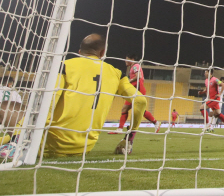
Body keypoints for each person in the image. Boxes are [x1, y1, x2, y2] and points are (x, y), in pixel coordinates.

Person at [2, 34, 147, 157]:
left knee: (10, 107)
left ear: (79, 52)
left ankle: (14, 142)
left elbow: (46, 106)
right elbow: (140, 101)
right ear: (102, 53)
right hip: (83, 148)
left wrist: (17, 137)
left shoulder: (64, 65)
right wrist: (129, 139)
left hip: (46, 146)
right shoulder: (117, 73)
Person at [110, 53, 161, 134]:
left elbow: (139, 76)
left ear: (132, 59)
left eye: (127, 59)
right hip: (134, 90)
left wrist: (128, 82)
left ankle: (155, 123)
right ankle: (120, 129)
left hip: (138, 90)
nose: (125, 61)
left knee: (138, 110)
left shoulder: (135, 66)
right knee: (126, 109)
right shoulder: (133, 67)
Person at [0, 76, 23, 145]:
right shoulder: (16, 93)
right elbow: (19, 107)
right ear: (9, 84)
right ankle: (14, 141)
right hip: (11, 115)